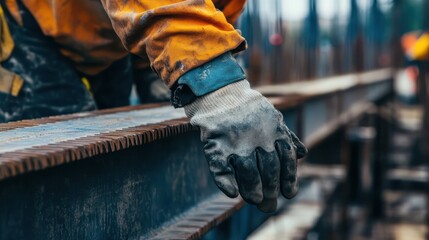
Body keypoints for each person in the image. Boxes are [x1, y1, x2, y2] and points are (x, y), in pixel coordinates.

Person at [0, 0, 307, 212]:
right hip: (25, 22)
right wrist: (216, 83)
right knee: (68, 178)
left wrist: (163, 67)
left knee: (117, 157)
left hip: (107, 32)